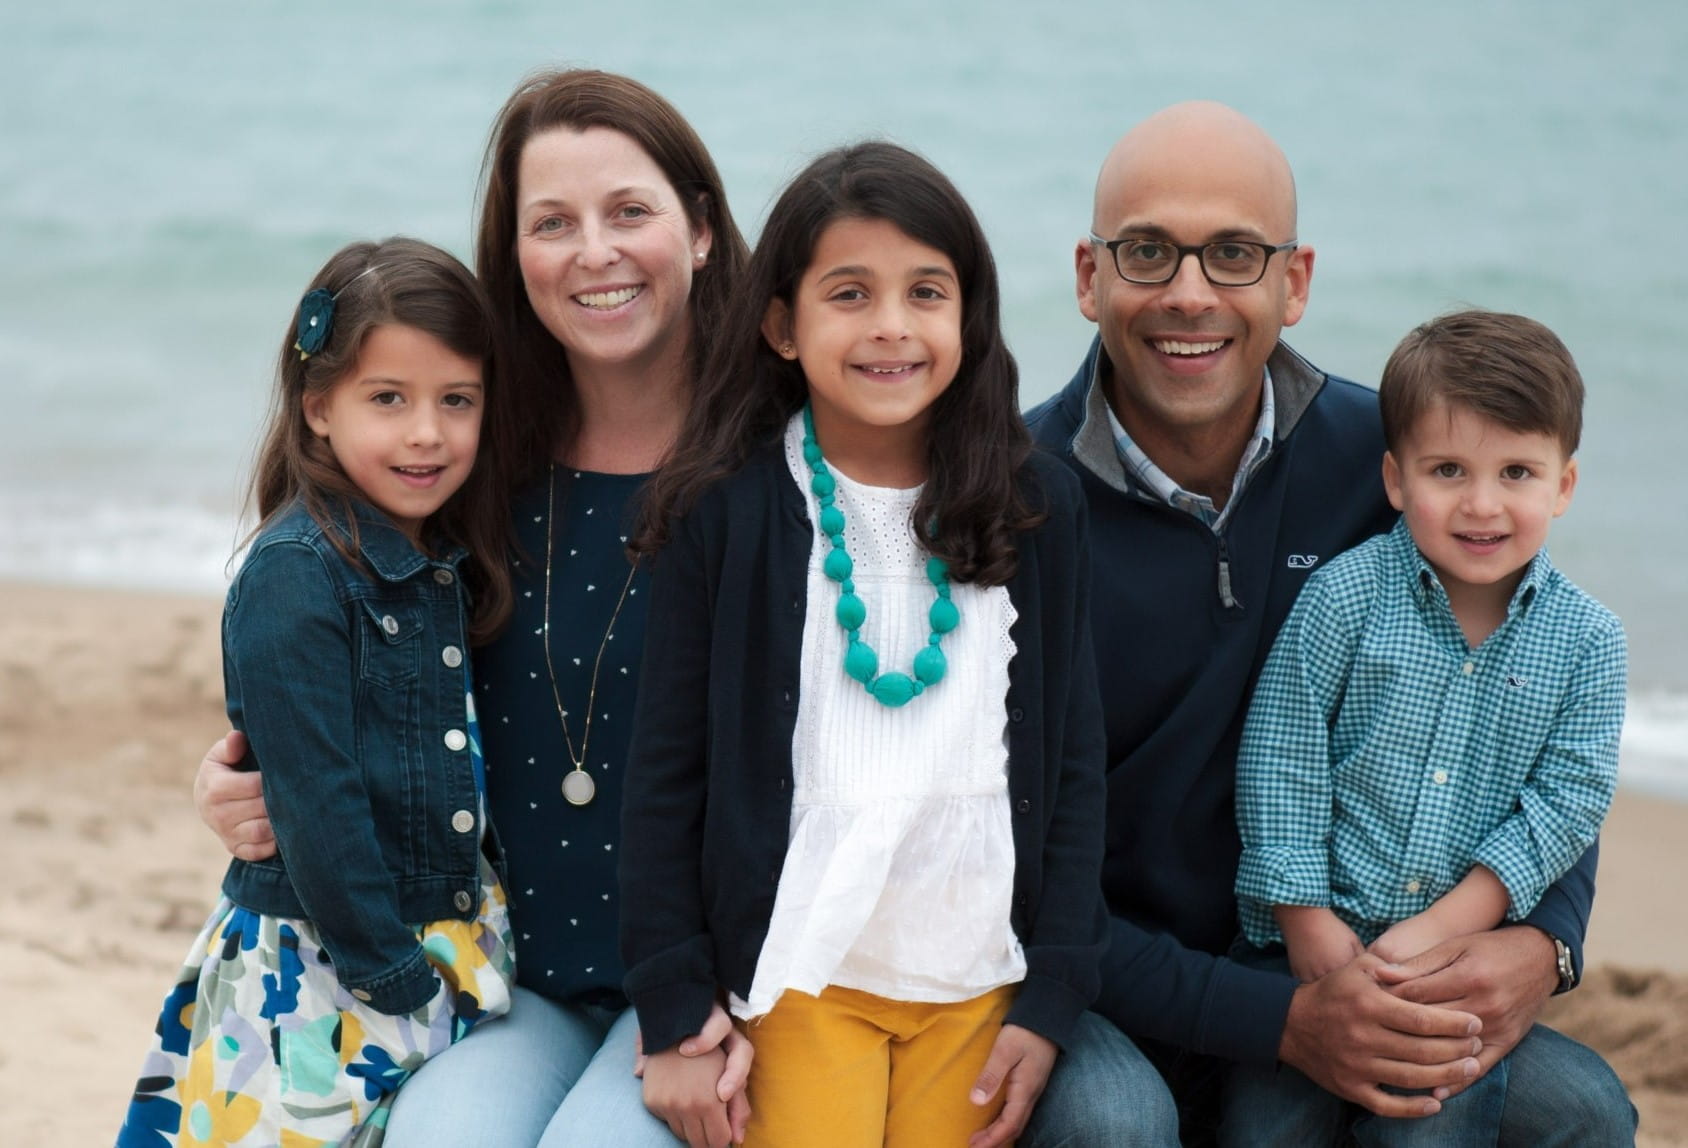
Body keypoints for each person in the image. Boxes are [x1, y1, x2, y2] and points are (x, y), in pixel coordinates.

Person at [1021, 101, 1636, 1144]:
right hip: (1106, 984)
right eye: (1146, 251)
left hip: (1356, 954)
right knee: (1114, 1121)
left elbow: (1530, 695)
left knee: (1579, 1111)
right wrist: (1276, 1022)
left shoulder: (1398, 462)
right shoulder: (1012, 502)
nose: (1188, 293)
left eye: (1233, 254)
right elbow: (1007, 872)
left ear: (1294, 281)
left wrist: (1546, 943)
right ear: (1089, 275)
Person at [192, 70, 756, 1147]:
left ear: (698, 229)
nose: (593, 251)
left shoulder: (774, 463)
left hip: (712, 980)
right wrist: (239, 778)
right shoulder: (467, 454)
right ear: (514, 254)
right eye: (552, 223)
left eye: (627, 211)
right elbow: (334, 643)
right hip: (505, 972)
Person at [620, 140, 1107, 1148]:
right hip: (801, 971)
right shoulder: (727, 510)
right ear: (780, 325)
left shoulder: (1036, 505)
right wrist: (673, 1008)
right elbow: (666, 772)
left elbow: (1072, 765)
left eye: (925, 292)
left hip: (977, 973)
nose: (891, 324)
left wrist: (1054, 993)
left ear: (968, 316)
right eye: (848, 293)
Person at [118, 238, 517, 1147]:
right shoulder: (296, 574)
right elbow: (316, 802)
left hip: (435, 951)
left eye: (457, 400)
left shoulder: (442, 556)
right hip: (329, 968)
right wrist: (394, 977)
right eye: (389, 399)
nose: (428, 432)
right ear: (318, 407)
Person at [1225, 309, 1627, 1145]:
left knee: (1435, 1121)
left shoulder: (1590, 642)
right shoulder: (1343, 597)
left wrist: (1442, 933)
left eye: (1517, 472)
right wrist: (1304, 920)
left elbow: (1567, 804)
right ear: (1396, 479)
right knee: (1268, 1129)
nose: (1482, 504)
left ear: (1563, 486)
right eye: (1448, 470)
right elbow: (1282, 756)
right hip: (1307, 950)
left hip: (1458, 962)